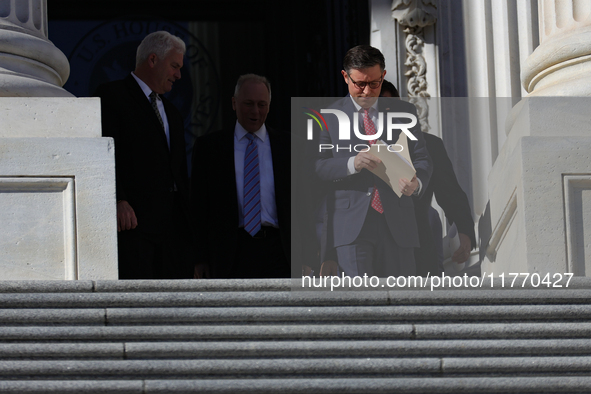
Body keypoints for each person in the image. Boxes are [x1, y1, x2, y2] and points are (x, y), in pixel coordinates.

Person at [316, 45, 432, 278]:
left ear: (383, 76)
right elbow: (317, 166)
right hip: (352, 227)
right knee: (362, 303)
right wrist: (352, 163)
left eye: (374, 83)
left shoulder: (404, 112)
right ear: (345, 77)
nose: (367, 91)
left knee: (402, 302)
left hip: (398, 223)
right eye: (360, 84)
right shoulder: (329, 116)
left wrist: (416, 183)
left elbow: (422, 159)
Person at [95, 31, 193, 279]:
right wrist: (117, 199)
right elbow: (103, 154)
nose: (178, 75)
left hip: (172, 233)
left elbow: (178, 172)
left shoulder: (172, 112)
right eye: (174, 66)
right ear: (152, 60)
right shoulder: (111, 96)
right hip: (134, 227)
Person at [191, 74, 291, 279]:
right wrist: (199, 257)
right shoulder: (210, 148)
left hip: (280, 251)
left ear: (269, 106)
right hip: (230, 253)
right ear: (234, 103)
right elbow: (199, 207)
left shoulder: (289, 146)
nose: (255, 111)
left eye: (262, 104)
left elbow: (305, 205)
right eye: (248, 104)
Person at [381, 79, 476, 275]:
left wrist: (464, 232)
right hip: (376, 250)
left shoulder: (429, 145)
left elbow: (450, 192)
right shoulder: (356, 148)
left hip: (419, 249)